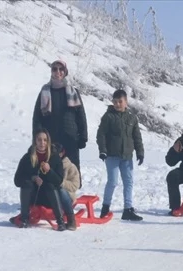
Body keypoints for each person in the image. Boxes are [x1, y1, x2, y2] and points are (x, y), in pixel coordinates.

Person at [96, 88, 144, 221]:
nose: (117, 104)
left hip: (127, 156)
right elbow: (101, 134)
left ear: (126, 102)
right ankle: (105, 208)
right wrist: (103, 150)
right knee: (112, 181)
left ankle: (128, 209)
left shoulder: (132, 118)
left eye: (120, 101)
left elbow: (137, 136)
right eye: (115, 101)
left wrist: (140, 152)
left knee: (128, 182)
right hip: (112, 155)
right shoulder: (108, 117)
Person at [11, 130, 75, 231]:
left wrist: (49, 171)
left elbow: (59, 181)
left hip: (49, 198)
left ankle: (60, 221)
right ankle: (24, 219)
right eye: (39, 140)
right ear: (35, 141)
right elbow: (17, 181)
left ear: (48, 142)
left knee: (50, 185)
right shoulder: (27, 158)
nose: (42, 143)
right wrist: (32, 178)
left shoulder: (54, 157)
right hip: (33, 198)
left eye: (45, 140)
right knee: (27, 184)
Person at [32, 59, 88, 171]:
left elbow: (81, 116)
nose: (58, 72)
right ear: (51, 72)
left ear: (65, 72)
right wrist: (37, 137)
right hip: (50, 139)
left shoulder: (73, 92)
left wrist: (83, 137)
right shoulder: (44, 92)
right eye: (54, 69)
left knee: (72, 171)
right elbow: (37, 117)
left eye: (61, 69)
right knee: (51, 171)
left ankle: (71, 189)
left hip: (70, 138)